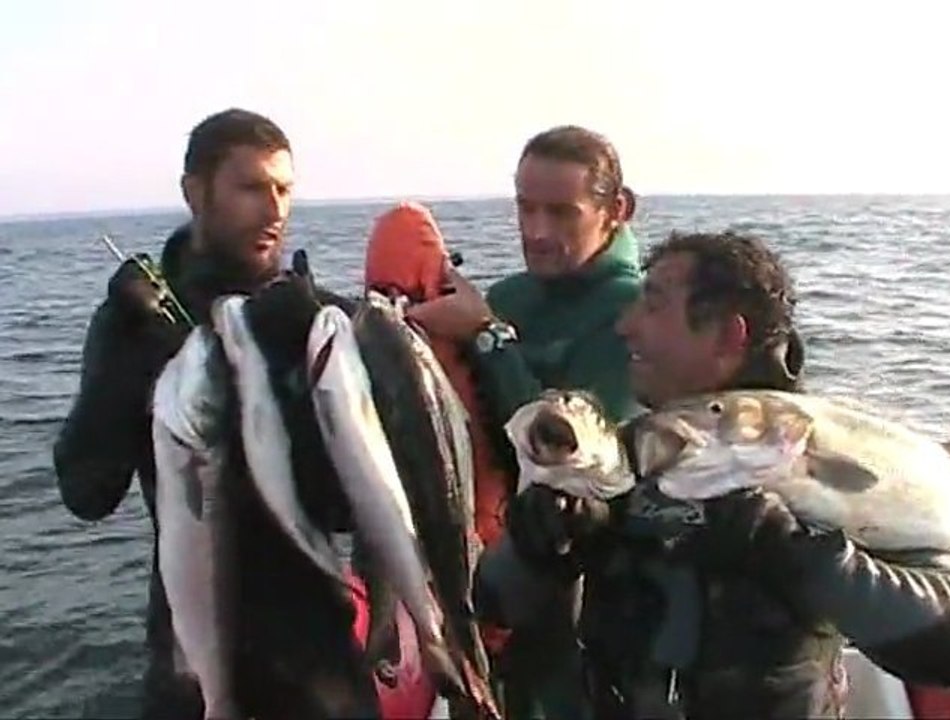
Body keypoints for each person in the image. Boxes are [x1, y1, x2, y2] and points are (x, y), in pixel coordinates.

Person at [474, 229, 950, 719]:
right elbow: (493, 603)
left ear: (729, 336)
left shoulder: (824, 458)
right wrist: (537, 544)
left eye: (653, 305)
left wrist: (793, 552)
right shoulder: (631, 453)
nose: (625, 325)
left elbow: (947, 644)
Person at [52, 108, 378, 719]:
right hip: (189, 660)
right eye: (251, 187)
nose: (274, 209)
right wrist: (130, 358)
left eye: (284, 189)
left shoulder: (317, 322)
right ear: (195, 192)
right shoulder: (137, 321)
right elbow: (86, 492)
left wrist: (299, 370)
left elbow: (345, 509)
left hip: (316, 662)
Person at [406, 125, 642, 719]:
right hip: (484, 588)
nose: (536, 231)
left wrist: (489, 339)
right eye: (525, 207)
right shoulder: (510, 296)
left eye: (561, 212)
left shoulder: (635, 314)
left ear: (617, 210)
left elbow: (575, 458)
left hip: (583, 610)